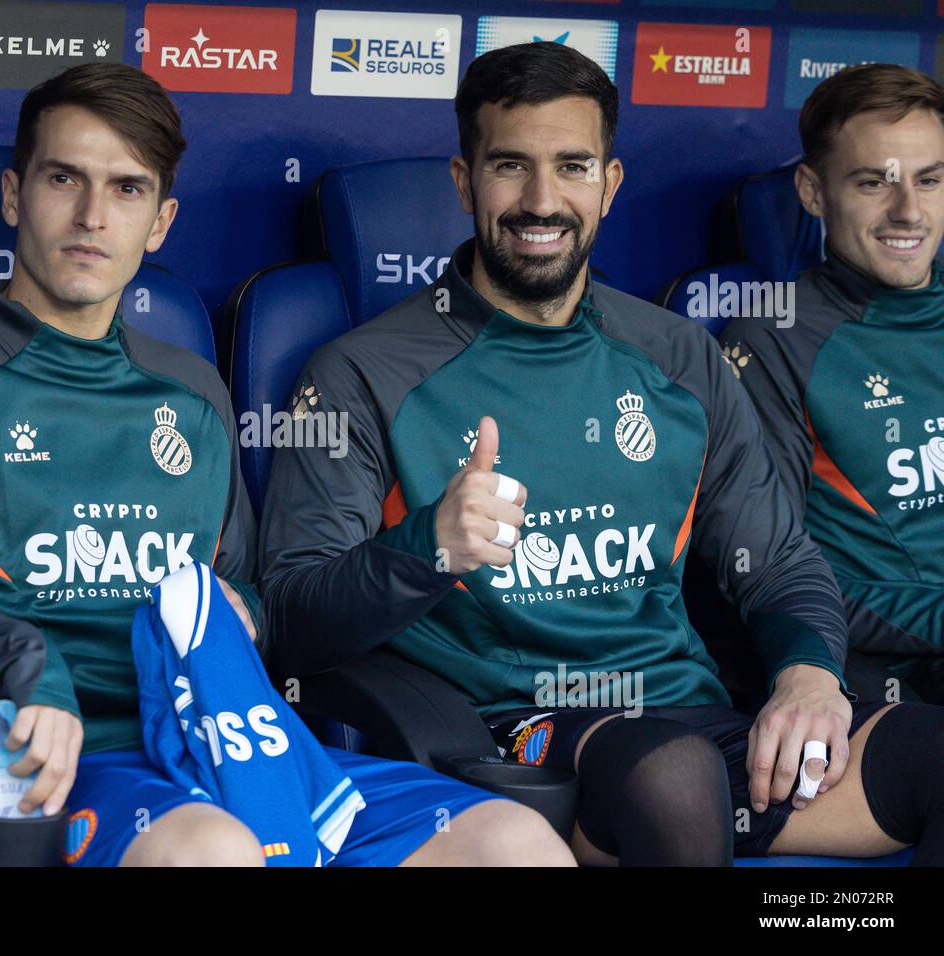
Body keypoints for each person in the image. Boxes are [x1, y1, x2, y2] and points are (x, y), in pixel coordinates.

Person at [0, 62, 570, 867]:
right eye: (66, 179)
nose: (93, 216)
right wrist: (17, 657)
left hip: (232, 751)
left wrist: (404, 554)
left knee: (514, 842)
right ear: (14, 195)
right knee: (218, 852)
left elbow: (254, 608)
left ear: (160, 223)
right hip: (62, 771)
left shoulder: (190, 389)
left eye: (127, 190)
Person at [259, 42, 944, 865]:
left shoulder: (679, 355)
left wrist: (807, 675)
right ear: (463, 179)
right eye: (510, 166)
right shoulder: (362, 371)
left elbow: (778, 561)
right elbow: (290, 622)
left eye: (573, 166)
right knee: (672, 775)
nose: (541, 200)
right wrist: (426, 548)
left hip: (695, 722)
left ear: (610, 185)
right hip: (520, 741)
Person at [720, 63, 944, 704]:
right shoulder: (772, 335)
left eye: (929, 180)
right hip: (884, 676)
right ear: (813, 192)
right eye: (875, 183)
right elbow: (773, 573)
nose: (909, 211)